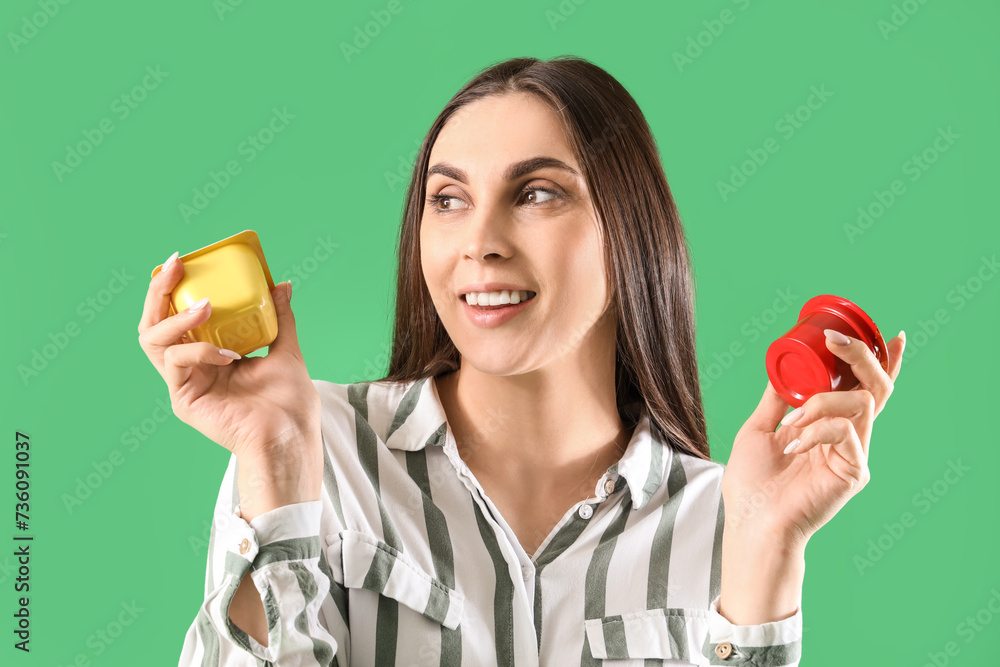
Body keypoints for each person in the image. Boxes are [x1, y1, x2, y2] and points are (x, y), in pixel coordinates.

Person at [139, 55, 905, 666]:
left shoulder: (725, 516)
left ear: (629, 231)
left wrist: (766, 550)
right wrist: (273, 468)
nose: (480, 240)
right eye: (448, 200)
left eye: (537, 193)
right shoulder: (315, 448)